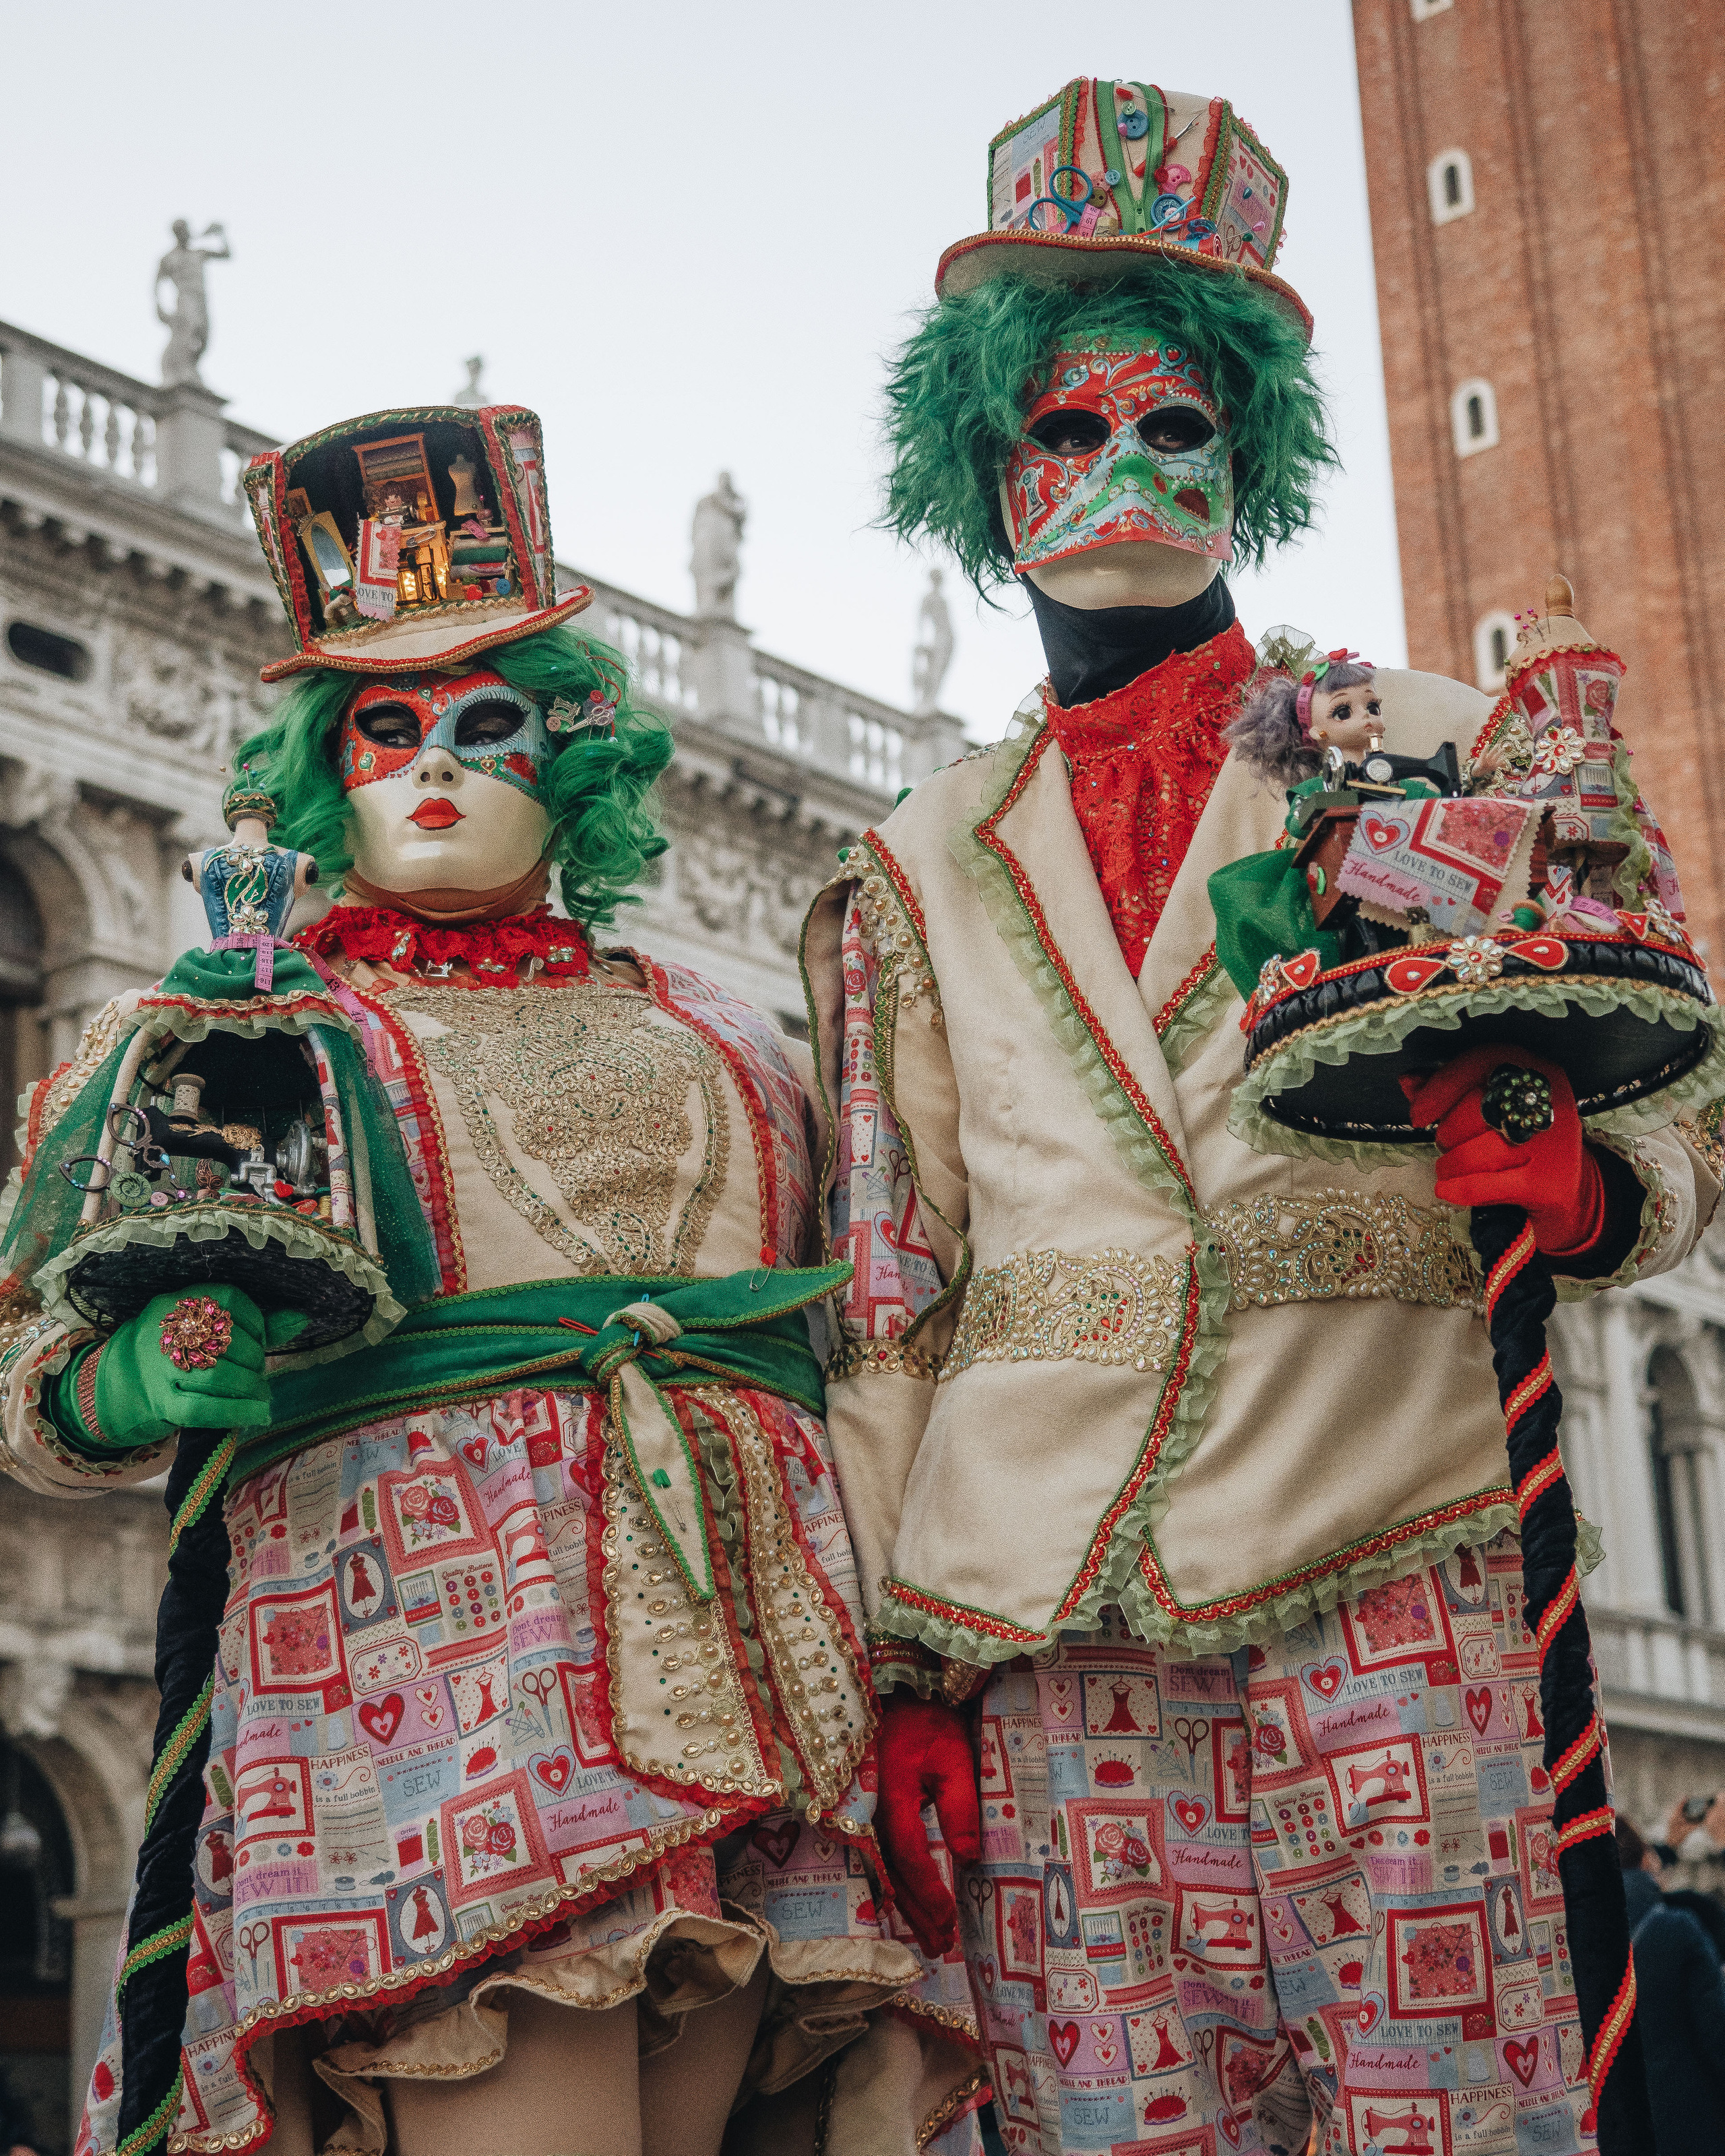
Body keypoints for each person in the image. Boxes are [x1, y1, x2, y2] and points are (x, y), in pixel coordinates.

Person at [801, 73, 1721, 2156]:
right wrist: (900, 1666)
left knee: (1460, 2122)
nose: (1119, 460)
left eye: (1171, 420)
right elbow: (888, 1271)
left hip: (1389, 1551)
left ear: (1247, 448)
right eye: (1063, 424)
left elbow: (1683, 1086)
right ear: (984, 468)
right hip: (1043, 1633)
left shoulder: (1436, 743)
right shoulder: (919, 855)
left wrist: (1591, 1183)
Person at [1, 403, 977, 2156]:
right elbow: (41, 1351)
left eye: (487, 721)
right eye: (387, 727)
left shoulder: (727, 1034)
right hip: (430, 1706)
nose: (435, 762)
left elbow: (887, 1324)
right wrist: (127, 1380)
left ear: (571, 754)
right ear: (326, 765)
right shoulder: (236, 1035)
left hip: (751, 1722)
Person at [1631, 1884, 1725, 2151]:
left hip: (1632, 2118)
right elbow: (1716, 2026)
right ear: (1647, 1858)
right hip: (1696, 2108)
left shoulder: (1590, 1928)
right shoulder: (1678, 1927)